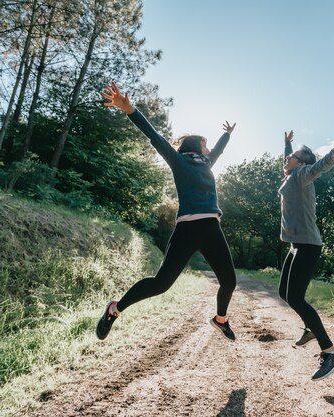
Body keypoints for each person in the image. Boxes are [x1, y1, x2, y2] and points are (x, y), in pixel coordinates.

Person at [95, 81, 238, 341]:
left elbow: (218, 150)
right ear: (196, 145)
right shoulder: (178, 160)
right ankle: (115, 310)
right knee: (161, 284)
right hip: (187, 229)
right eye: (205, 144)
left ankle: (220, 320)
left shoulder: (207, 162)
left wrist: (227, 135)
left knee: (229, 282)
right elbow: (155, 137)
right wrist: (131, 110)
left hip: (211, 227)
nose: (208, 148)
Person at [278, 130, 334, 381]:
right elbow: (289, 159)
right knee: (284, 294)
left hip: (308, 244)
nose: (287, 159)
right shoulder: (291, 174)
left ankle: (331, 352)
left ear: (302, 162)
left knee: (296, 298)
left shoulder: (301, 175)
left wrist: (331, 156)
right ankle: (310, 328)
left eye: (292, 156)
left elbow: (317, 167)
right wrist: (288, 144)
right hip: (295, 244)